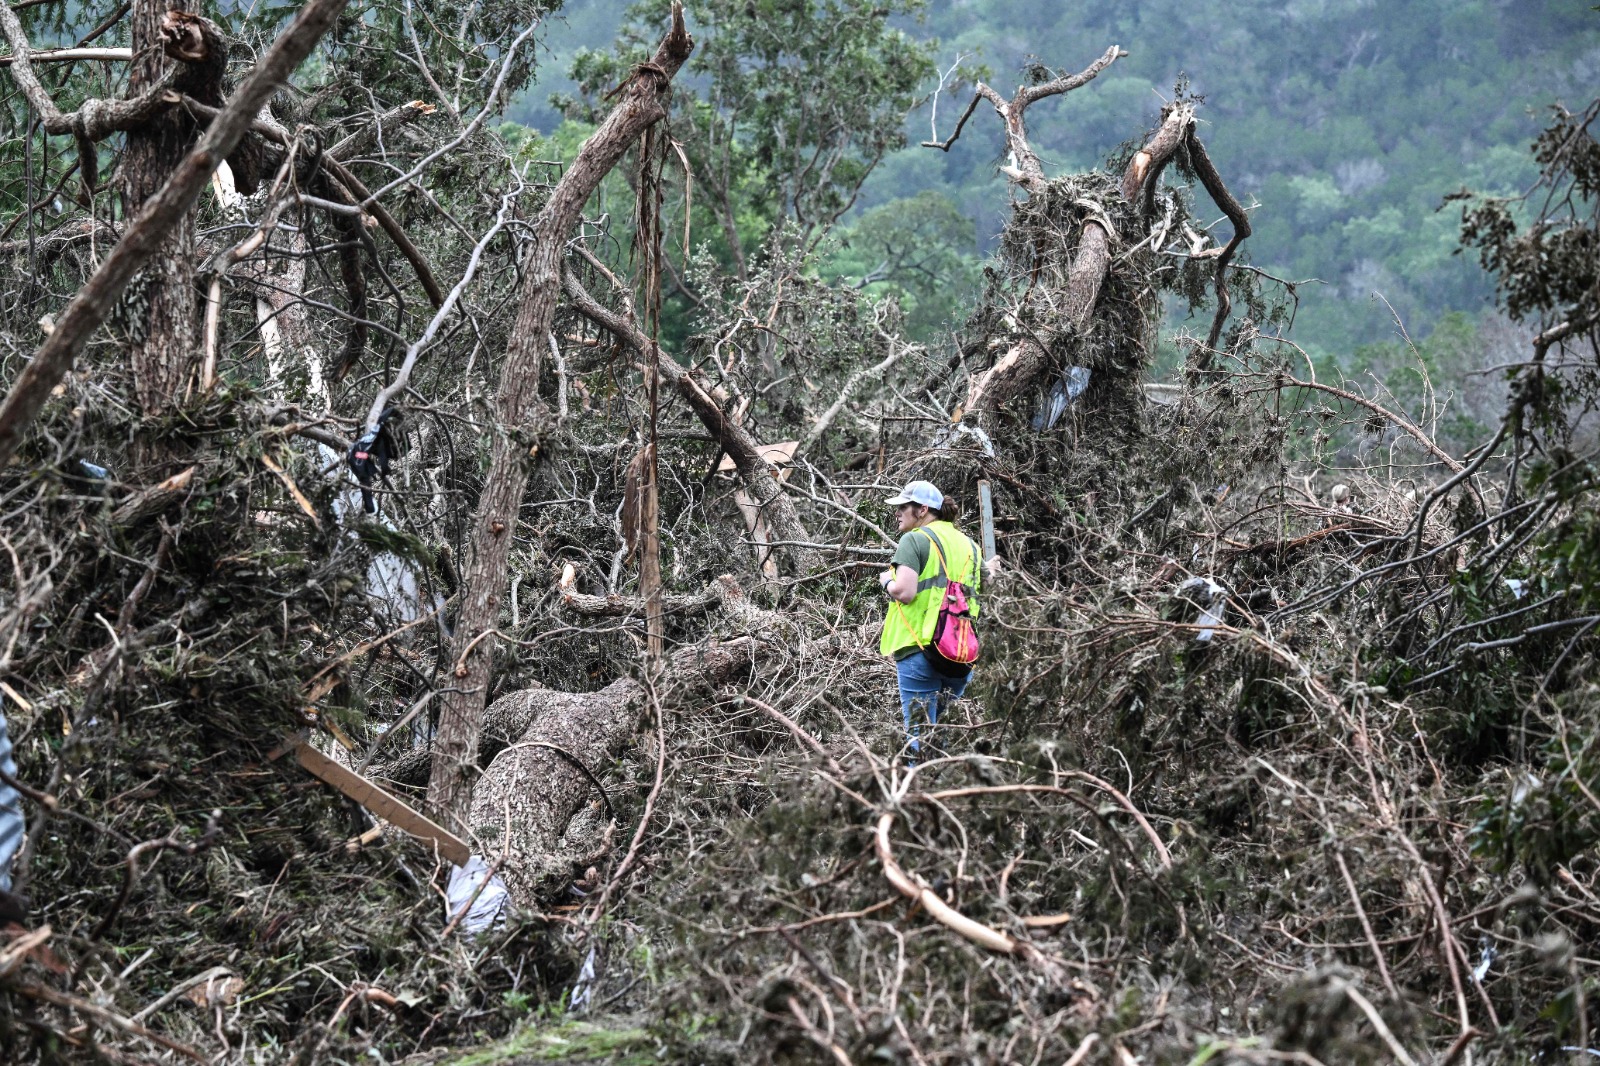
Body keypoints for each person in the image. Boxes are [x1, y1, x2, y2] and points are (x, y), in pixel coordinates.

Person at [877, 479, 982, 763]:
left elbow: (906, 592)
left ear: (922, 509)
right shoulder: (971, 546)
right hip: (960, 655)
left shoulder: (915, 540)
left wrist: (887, 581)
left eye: (903, 507)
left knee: (920, 737)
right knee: (941, 737)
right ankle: (943, 791)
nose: (897, 513)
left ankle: (918, 796)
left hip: (920, 650)